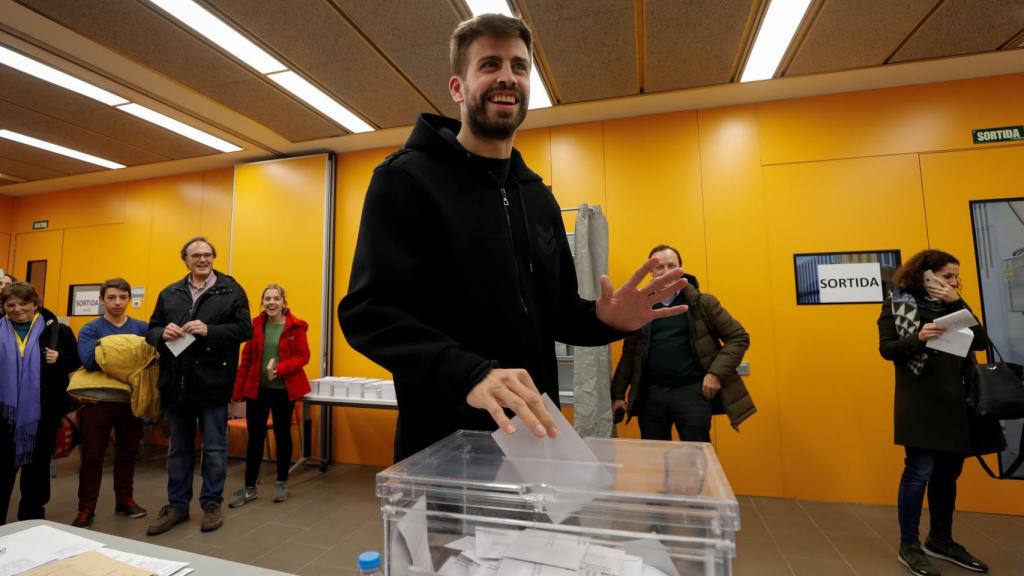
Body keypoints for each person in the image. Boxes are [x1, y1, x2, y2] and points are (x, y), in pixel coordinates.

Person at [339, 14, 686, 462]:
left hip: (535, 437)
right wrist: (469, 374)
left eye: (519, 67)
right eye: (489, 64)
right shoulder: (406, 180)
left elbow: (555, 313)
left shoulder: (537, 196)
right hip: (444, 441)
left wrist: (605, 321)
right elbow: (369, 313)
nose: (507, 76)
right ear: (457, 88)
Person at [878, 249, 1004, 575]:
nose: (953, 282)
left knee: (948, 474)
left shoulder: (953, 304)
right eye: (947, 276)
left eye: (955, 277)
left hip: (956, 401)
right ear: (926, 274)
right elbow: (887, 349)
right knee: (918, 472)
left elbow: (979, 341)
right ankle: (910, 545)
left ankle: (941, 539)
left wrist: (956, 301)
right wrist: (918, 338)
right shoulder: (898, 302)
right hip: (919, 402)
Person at [145, 237, 251, 535]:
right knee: (178, 449)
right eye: (196, 255)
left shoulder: (231, 290)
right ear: (186, 260)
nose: (202, 259)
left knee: (215, 449)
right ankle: (177, 506)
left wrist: (210, 330)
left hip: (214, 383)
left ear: (214, 258)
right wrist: (160, 333)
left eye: (207, 255)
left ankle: (211, 504)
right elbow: (150, 329)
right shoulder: (170, 292)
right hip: (177, 384)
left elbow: (245, 329)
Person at [611, 245, 753, 441]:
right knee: (656, 460)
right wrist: (618, 395)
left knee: (695, 460)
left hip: (692, 394)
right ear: (650, 271)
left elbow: (738, 337)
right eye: (659, 267)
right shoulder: (640, 307)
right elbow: (629, 355)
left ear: (681, 269)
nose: (666, 272)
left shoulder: (703, 303)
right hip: (651, 396)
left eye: (672, 266)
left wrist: (715, 374)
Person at [71, 278, 149, 528]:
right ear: (101, 300)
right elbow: (89, 360)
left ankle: (125, 500)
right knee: (93, 456)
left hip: (131, 400)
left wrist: (106, 350)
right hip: (98, 401)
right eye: (112, 297)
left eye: (122, 298)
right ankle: (86, 508)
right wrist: (128, 352)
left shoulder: (142, 327)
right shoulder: (91, 328)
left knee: (128, 454)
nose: (117, 303)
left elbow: (146, 363)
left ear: (129, 299)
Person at [0, 282, 79, 524]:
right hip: (4, 419)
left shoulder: (57, 332)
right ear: (3, 307)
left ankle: (32, 522)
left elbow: (75, 362)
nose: (17, 309)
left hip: (42, 419)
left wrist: (61, 359)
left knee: (36, 476)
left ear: (36, 304)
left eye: (23, 304)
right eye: (10, 304)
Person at [229, 284, 310, 507]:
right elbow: (246, 359)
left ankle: (282, 482)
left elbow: (304, 356)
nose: (271, 302)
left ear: (284, 302)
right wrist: (237, 391)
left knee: (283, 435)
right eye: (267, 299)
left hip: (285, 391)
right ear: (262, 302)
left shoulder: (296, 326)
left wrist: (282, 368)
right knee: (255, 438)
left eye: (276, 298)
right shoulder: (255, 325)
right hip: (258, 390)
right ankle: (249, 487)